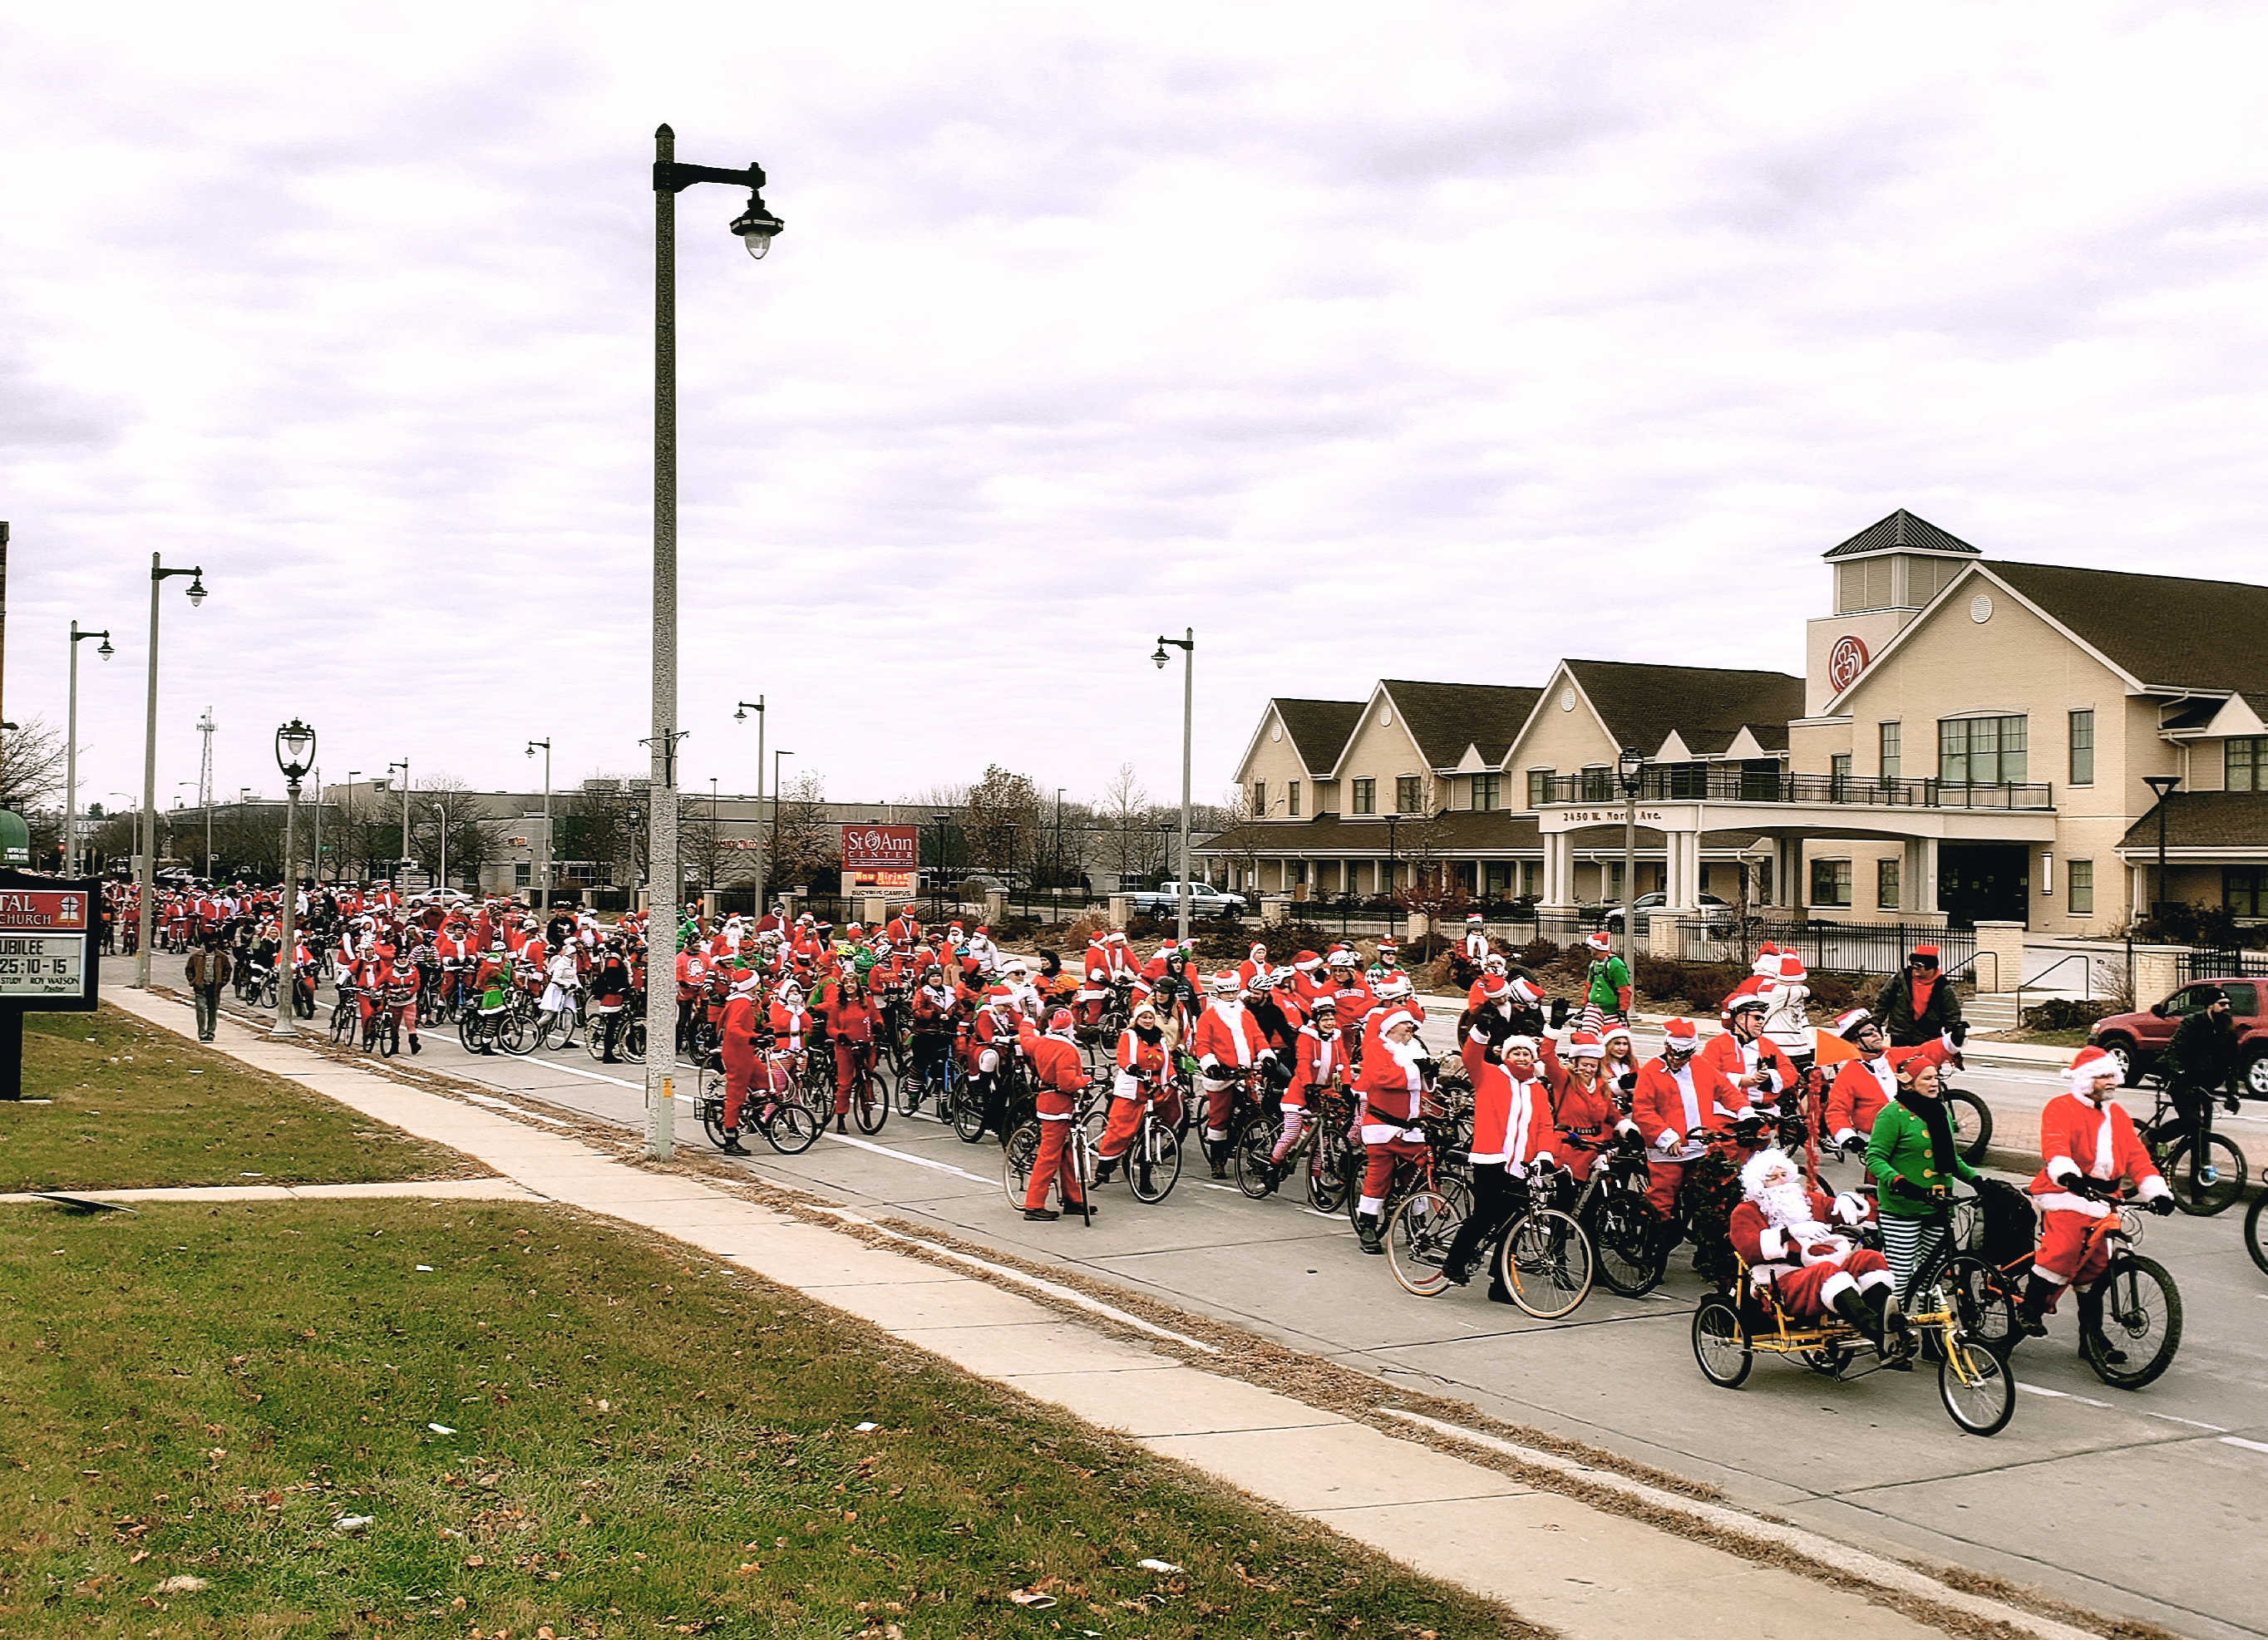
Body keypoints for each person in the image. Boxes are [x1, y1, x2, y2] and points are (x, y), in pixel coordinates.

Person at [2016, 1046, 2174, 1355]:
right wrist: (2067, 1174)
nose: (2112, 1081)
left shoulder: (2117, 1114)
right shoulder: (2061, 1107)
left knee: (2098, 1266)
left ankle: (2091, 1339)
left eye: (2113, 1075)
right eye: (2104, 1076)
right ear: (2086, 1081)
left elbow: (2137, 1157)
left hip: (2105, 1196)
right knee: (2064, 1248)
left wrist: (2156, 1191)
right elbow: (2055, 1145)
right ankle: (2030, 1308)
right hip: (2064, 1190)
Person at [1729, 1148, 1901, 1347]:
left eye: (1784, 1174)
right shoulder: (1746, 1212)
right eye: (1773, 1177)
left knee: (1869, 1259)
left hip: (1822, 1267)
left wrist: (1847, 1201)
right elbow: (1748, 1249)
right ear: (1759, 1184)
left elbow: (1835, 1210)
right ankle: (1873, 1330)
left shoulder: (1806, 1201)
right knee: (1826, 1272)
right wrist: (1788, 1233)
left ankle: (1886, 1320)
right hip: (1781, 1281)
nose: (1782, 1181)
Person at [1864, 1053, 1982, 1320]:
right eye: (1926, 1078)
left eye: (1936, 1077)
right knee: (1903, 1272)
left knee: (1933, 1275)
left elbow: (1952, 1160)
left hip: (1938, 1206)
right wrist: (1899, 1181)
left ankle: (1929, 1332)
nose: (1934, 1083)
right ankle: (1894, 1328)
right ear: (1908, 1084)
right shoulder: (1892, 1115)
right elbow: (1874, 1158)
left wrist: (1979, 1181)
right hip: (1901, 1207)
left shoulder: (1939, 1112)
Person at [1439, 1030, 1556, 1291]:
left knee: (1514, 1224)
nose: (1522, 1057)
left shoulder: (1537, 1090)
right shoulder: (1491, 1075)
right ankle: (1453, 1263)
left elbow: (1545, 1127)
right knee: (1485, 1216)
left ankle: (1501, 1281)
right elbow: (1470, 1057)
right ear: (1506, 1056)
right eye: (1516, 1052)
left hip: (1521, 1166)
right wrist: (1480, 1030)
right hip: (1490, 1159)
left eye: (1527, 1053)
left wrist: (1545, 1155)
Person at [1353, 1002, 1432, 1254]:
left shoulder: (1416, 1048)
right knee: (1378, 1176)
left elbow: (1425, 1085)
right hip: (1383, 1125)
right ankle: (1367, 1225)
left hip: (1411, 1126)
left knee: (1418, 1175)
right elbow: (1381, 1078)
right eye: (1406, 1023)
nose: (1411, 1027)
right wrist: (1416, 1072)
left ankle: (1415, 1223)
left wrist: (1430, 1075)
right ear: (1391, 1027)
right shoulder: (1377, 1047)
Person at [1824, 1008, 1960, 1154]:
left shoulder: (1895, 1055)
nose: (1876, 1034)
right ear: (1855, 1042)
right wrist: (1849, 1138)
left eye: (1876, 1029)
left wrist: (1951, 1041)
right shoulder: (1848, 1074)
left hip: (1912, 1135)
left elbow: (1923, 1052)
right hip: (1877, 1144)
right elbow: (1837, 1111)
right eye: (1868, 1033)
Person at [2152, 985, 2243, 1187]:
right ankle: (2153, 1137)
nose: (2227, 1008)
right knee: (2192, 1123)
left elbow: (2232, 1065)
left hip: (2205, 1087)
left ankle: (2198, 1189)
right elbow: (2174, 1050)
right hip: (2182, 1082)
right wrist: (2180, 1072)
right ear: (2210, 1006)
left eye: (2229, 1004)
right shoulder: (2192, 1023)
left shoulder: (2228, 1030)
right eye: (2222, 1004)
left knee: (2202, 1139)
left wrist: (2233, 1095)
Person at [1191, 970, 1274, 1177]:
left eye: (1234, 992)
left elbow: (1257, 1036)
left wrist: (1266, 1055)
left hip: (1245, 1074)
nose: (1230, 997)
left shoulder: (1245, 1013)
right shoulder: (1209, 1017)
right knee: (1219, 1118)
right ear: (1218, 993)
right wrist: (1210, 1064)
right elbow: (1202, 1044)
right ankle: (1217, 1161)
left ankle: (1256, 1157)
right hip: (1222, 1075)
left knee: (1255, 1112)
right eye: (1226, 993)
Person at [1018, 1008, 1095, 1221]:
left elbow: (1026, 1040)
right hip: (1059, 1105)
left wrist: (1026, 1021)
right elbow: (1067, 1083)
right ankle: (1033, 1204)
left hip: (1048, 1101)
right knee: (1049, 1155)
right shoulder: (1067, 1050)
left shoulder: (1042, 1042)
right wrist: (1087, 1081)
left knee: (1067, 1153)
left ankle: (1073, 1198)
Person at [1093, 995, 1171, 1185]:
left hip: (1153, 1091)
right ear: (1137, 1019)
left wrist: (1173, 1077)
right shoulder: (1129, 1036)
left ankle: (1145, 1179)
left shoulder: (1159, 1038)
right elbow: (1122, 1057)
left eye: (1150, 1018)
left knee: (1149, 1134)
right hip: (1132, 1088)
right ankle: (1104, 1165)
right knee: (1119, 1129)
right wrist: (1130, 1067)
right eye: (1144, 1017)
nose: (1147, 1021)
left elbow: (1167, 1063)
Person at [1873, 944, 1964, 1048]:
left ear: (1930, 966)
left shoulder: (1942, 987)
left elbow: (1952, 1015)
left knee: (1926, 1064)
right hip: (1900, 1035)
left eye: (1919, 965)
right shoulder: (1901, 979)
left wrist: (1952, 1042)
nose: (1914, 968)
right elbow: (1883, 1000)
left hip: (1927, 1039)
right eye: (1912, 964)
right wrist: (1876, 1023)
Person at [185, 935, 232, 1042]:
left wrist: (222, 982)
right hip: (200, 987)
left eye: (215, 941)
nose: (214, 943)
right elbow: (189, 969)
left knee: (213, 1010)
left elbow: (227, 970)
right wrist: (193, 981)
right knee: (201, 1009)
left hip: (214, 987)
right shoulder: (196, 956)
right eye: (211, 941)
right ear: (205, 943)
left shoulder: (222, 957)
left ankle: (210, 1033)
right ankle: (202, 1033)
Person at [1583, 929, 1632, 1019]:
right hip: (1592, 1010)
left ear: (1597, 947)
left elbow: (1624, 989)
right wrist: (1585, 1004)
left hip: (1610, 1013)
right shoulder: (1593, 964)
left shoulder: (1616, 964)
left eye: (1590, 946)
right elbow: (1588, 985)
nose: (1588, 948)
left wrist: (1622, 1010)